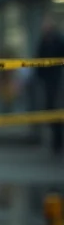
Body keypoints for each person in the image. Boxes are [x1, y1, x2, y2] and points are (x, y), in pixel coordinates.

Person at [34, 18, 64, 155]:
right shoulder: (43, 41)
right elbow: (37, 60)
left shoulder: (57, 40)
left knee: (56, 110)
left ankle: (58, 142)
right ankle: (55, 143)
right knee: (50, 110)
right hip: (47, 82)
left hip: (58, 80)